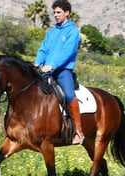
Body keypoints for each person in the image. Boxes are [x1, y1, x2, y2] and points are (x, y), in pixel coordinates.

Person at [34, 0, 84, 145]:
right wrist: (37, 62)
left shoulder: (72, 32)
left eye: (58, 12)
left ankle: (79, 131)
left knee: (68, 94)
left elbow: (67, 52)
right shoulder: (52, 32)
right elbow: (43, 49)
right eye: (54, 12)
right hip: (45, 70)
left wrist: (52, 65)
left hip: (63, 70)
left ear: (67, 13)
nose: (55, 15)